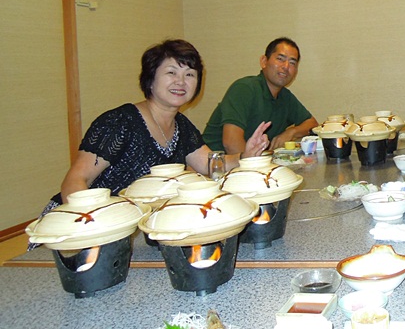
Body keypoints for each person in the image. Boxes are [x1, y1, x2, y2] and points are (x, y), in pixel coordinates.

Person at [45, 39, 269, 211]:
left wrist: (245, 156)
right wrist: (92, 222)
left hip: (131, 224)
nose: (181, 82)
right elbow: (75, 180)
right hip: (78, 225)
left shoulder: (181, 125)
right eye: (171, 72)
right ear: (150, 79)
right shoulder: (119, 122)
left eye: (190, 74)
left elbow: (208, 165)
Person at [203, 37, 318, 154]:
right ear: (264, 61)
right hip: (214, 162)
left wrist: (291, 132)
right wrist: (256, 163)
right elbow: (231, 143)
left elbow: (312, 124)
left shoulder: (285, 97)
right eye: (280, 59)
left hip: (251, 161)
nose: (286, 66)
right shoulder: (244, 88)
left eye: (292, 63)